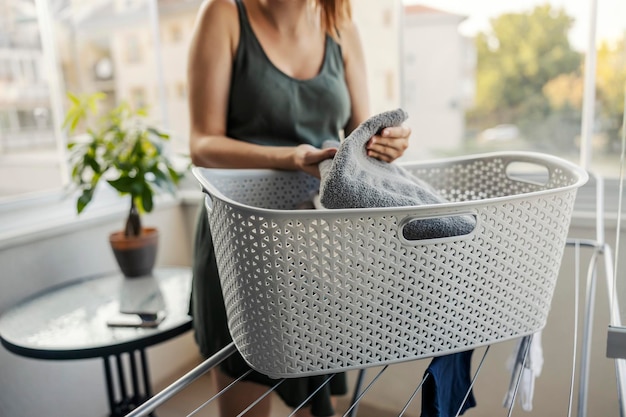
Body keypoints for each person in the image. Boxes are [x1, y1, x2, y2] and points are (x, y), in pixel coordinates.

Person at [186, 0, 411, 416]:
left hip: (317, 247)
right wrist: (289, 157)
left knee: (320, 402)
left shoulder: (340, 26)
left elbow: (359, 143)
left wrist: (386, 144)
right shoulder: (223, 14)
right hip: (238, 242)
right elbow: (202, 145)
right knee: (245, 402)